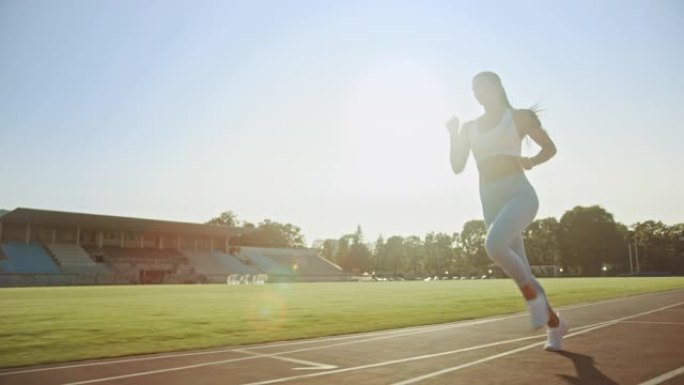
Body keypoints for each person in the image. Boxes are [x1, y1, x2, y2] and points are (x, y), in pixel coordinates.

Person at [445, 71, 567, 351]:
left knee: (493, 245)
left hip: (520, 196)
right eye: (473, 89)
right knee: (521, 268)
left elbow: (550, 148)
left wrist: (532, 161)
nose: (477, 93)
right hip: (491, 203)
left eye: (482, 87)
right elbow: (457, 166)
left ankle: (532, 300)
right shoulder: (469, 127)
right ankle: (556, 325)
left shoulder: (519, 117)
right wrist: (453, 135)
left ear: (497, 87)